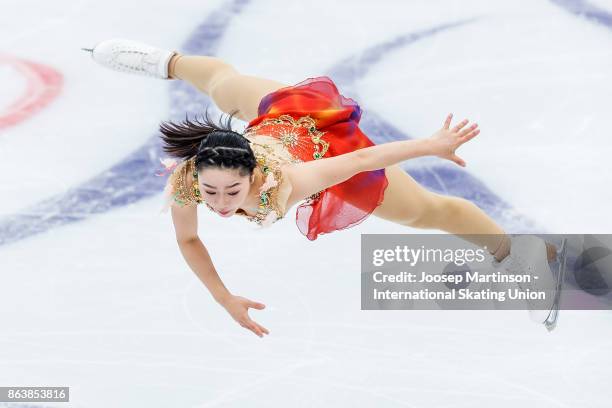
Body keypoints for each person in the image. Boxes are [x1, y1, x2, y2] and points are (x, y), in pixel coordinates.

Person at [82, 39, 566, 337]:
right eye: (213, 194)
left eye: (231, 193)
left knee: (427, 213)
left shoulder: (291, 183)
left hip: (324, 144)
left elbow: (361, 158)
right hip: (276, 122)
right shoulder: (190, 181)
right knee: (224, 83)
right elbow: (188, 238)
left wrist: (430, 144)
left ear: (252, 177)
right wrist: (222, 296)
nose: (221, 205)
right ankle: (167, 61)